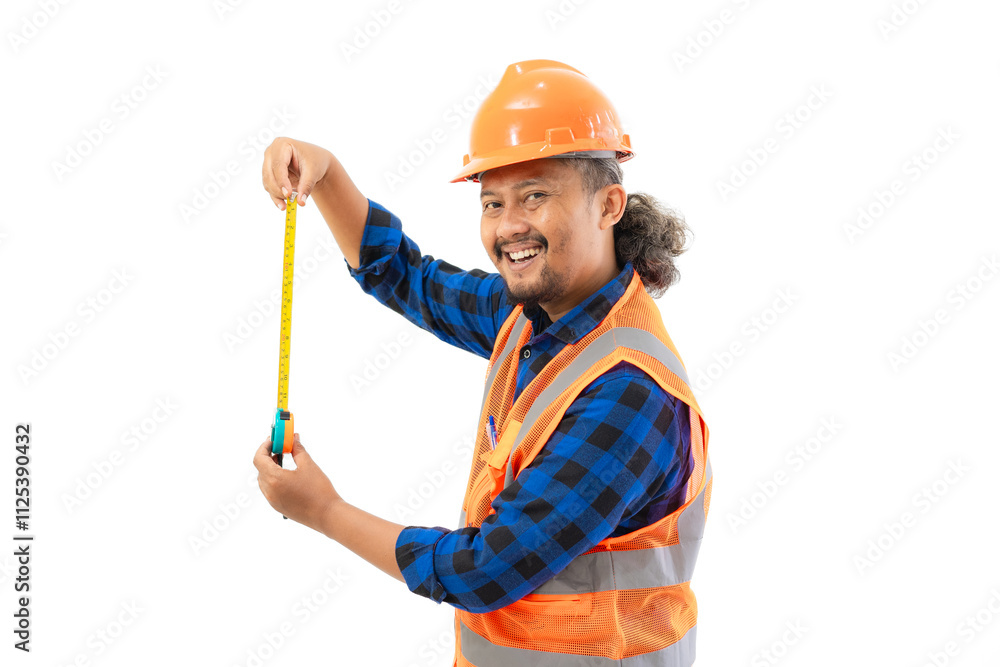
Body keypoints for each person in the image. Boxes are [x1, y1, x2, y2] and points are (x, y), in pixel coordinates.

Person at [254, 59, 712, 666]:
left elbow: (484, 569)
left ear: (609, 206)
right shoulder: (532, 317)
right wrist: (328, 171)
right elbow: (406, 277)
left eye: (535, 196)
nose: (509, 227)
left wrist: (325, 511)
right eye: (492, 203)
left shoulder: (629, 393)